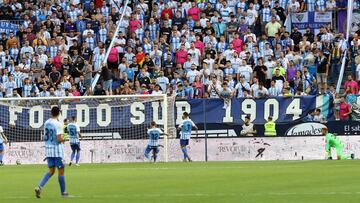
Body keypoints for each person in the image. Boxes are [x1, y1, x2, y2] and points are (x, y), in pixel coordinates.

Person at [35, 106, 69, 198]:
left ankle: (39, 187)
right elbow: (58, 139)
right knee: (61, 172)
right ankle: (63, 193)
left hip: (48, 150)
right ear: (59, 114)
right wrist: (65, 139)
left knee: (51, 171)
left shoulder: (46, 122)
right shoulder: (58, 124)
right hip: (57, 151)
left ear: (51, 113)